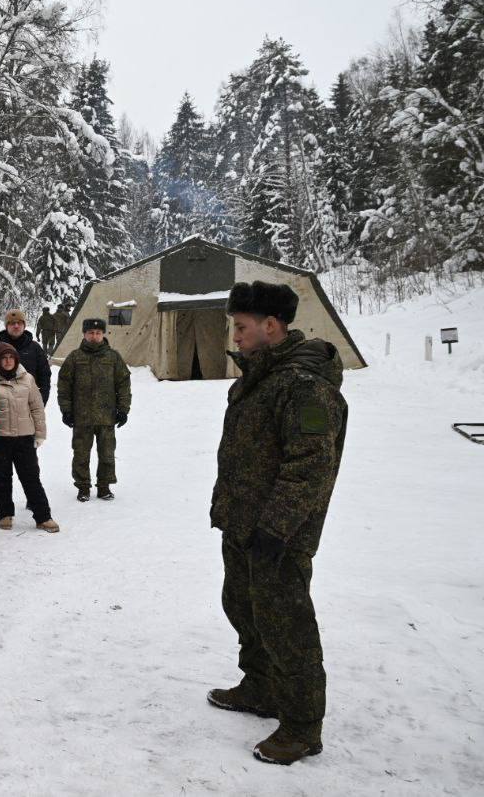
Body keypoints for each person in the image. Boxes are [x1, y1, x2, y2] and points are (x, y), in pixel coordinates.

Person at [207, 281, 347, 765]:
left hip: (278, 534)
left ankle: (303, 727)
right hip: (243, 523)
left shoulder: (305, 384)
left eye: (241, 327)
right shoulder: (260, 376)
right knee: (243, 606)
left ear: (271, 326)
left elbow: (310, 464)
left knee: (287, 626)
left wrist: (275, 528)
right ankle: (261, 688)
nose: (236, 336)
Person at [56, 318, 131, 502]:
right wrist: (66, 410)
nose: (94, 336)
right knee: (81, 454)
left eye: (98, 333)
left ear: (103, 334)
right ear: (84, 334)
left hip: (107, 416)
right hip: (82, 417)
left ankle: (104, 486)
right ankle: (83, 487)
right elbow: (64, 386)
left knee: (107, 454)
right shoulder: (75, 357)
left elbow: (123, 384)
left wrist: (123, 409)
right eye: (90, 333)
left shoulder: (113, 357)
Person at [0, 343, 58, 532]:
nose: (8, 361)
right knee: (1, 478)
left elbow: (37, 407)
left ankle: (43, 516)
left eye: (11, 357)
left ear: (16, 359)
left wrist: (40, 434)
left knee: (31, 478)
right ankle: (5, 513)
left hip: (24, 438)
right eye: (4, 358)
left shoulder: (27, 379)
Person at [0, 309, 53, 405]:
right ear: (6, 326)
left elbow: (45, 376)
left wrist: (41, 402)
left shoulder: (35, 348)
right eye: (12, 323)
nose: (16, 326)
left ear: (24, 325)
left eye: (19, 323)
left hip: (28, 404)